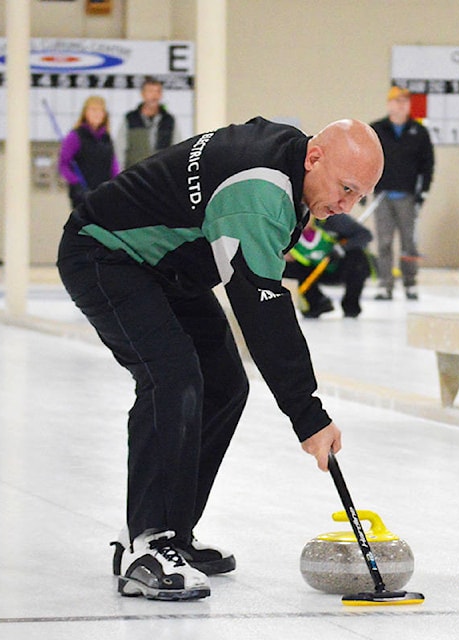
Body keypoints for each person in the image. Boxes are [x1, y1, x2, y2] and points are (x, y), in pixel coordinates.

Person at [56, 117, 384, 601]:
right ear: (314, 158)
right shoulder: (259, 191)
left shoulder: (291, 164)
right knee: (172, 377)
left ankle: (175, 531)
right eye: (346, 188)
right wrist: (308, 415)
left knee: (226, 383)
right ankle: (148, 543)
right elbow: (261, 308)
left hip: (164, 268)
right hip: (107, 253)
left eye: (360, 197)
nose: (345, 206)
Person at [369, 86, 434, 300]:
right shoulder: (377, 129)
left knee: (409, 242)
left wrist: (422, 191)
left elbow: (427, 164)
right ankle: (385, 284)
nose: (400, 105)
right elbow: (366, 161)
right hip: (382, 196)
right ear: (389, 104)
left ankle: (410, 283)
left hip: (407, 196)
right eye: (396, 101)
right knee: (384, 242)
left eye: (404, 102)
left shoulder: (418, 132)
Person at [283, 212, 373, 318]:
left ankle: (351, 305)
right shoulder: (285, 228)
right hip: (310, 271)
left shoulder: (332, 219)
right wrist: (282, 251)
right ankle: (317, 302)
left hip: (337, 267)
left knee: (358, 258)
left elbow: (365, 235)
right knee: (283, 265)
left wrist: (341, 249)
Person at [58, 95, 120, 208]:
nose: (97, 114)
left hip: (104, 193)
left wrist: (116, 184)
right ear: (85, 113)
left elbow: (113, 164)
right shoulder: (75, 136)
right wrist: (75, 183)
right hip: (82, 195)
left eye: (100, 110)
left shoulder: (106, 137)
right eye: (93, 110)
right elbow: (64, 164)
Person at [117, 77, 181, 168]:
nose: (154, 96)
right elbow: (120, 148)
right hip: (135, 173)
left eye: (158, 91)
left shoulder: (169, 120)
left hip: (161, 172)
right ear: (143, 94)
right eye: (150, 91)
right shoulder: (130, 118)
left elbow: (177, 149)